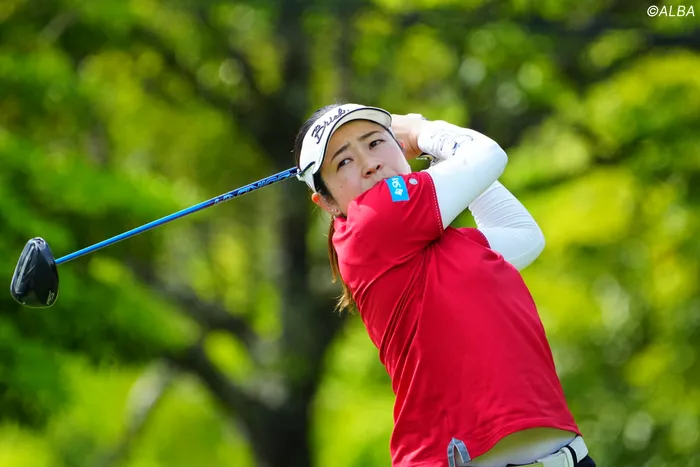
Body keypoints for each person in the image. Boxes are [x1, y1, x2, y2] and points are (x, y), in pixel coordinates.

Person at [293, 103, 595, 467]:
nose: (369, 163)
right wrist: (420, 130)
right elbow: (488, 154)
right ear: (326, 201)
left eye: (374, 142)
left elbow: (522, 235)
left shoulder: (446, 246)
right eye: (343, 161)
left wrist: (441, 156)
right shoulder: (371, 222)